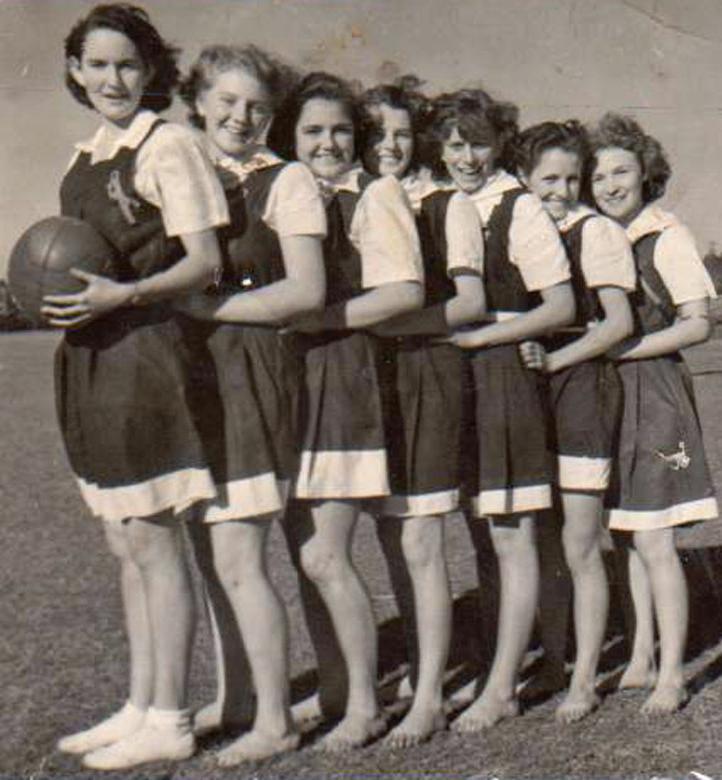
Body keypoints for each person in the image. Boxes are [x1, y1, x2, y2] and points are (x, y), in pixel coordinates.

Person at [43, 4, 228, 770]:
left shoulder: (170, 143)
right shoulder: (88, 155)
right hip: (93, 353)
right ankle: (140, 702)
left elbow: (203, 261)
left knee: (153, 541)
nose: (112, 78)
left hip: (145, 352)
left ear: (151, 71)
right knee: (125, 542)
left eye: (128, 64)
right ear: (77, 73)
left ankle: (173, 717)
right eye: (98, 64)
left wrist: (122, 296)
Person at [174, 44, 327, 766]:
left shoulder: (285, 180)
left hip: (251, 373)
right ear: (198, 100)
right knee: (210, 554)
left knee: (239, 555)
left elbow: (305, 292)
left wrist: (212, 311)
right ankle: (236, 697)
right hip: (188, 377)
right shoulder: (175, 170)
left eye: (258, 107)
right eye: (228, 102)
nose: (242, 117)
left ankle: (275, 720)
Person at [270, 72, 425, 750]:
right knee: (303, 552)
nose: (328, 142)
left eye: (338, 130)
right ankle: (334, 688)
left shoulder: (376, 192)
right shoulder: (284, 192)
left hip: (344, 379)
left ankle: (365, 704)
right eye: (313, 131)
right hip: (289, 386)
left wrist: (315, 320)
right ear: (291, 138)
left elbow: (404, 292)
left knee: (326, 554)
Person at [425, 88, 575, 733]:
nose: (465, 155)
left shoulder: (519, 209)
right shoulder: (446, 204)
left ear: (500, 144)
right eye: (454, 143)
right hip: (463, 379)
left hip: (505, 374)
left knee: (513, 537)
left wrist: (483, 337)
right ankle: (498, 669)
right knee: (485, 537)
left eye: (478, 142)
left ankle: (505, 689)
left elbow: (560, 308)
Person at [362, 77, 487, 746]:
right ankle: (420, 669)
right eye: (378, 133)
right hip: (374, 379)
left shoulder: (448, 204)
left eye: (403, 134)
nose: (391, 145)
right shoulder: (359, 201)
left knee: (419, 536)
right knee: (389, 535)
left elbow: (468, 303)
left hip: (428, 373)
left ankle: (431, 695)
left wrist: (389, 329)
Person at [589, 113, 719, 714]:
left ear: (646, 174)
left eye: (620, 170)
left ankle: (672, 675)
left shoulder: (666, 235)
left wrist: (629, 348)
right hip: (609, 393)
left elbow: (698, 322)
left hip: (655, 392)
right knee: (624, 534)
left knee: (655, 537)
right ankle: (640, 657)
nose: (608, 183)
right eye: (597, 172)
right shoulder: (593, 234)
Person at [516, 120, 635, 723]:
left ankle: (585, 678)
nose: (559, 190)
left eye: (570, 178)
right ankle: (552, 660)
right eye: (547, 179)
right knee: (544, 541)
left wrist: (556, 359)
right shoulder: (521, 230)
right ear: (523, 180)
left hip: (582, 388)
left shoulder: (596, 232)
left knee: (580, 543)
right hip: (533, 391)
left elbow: (617, 324)